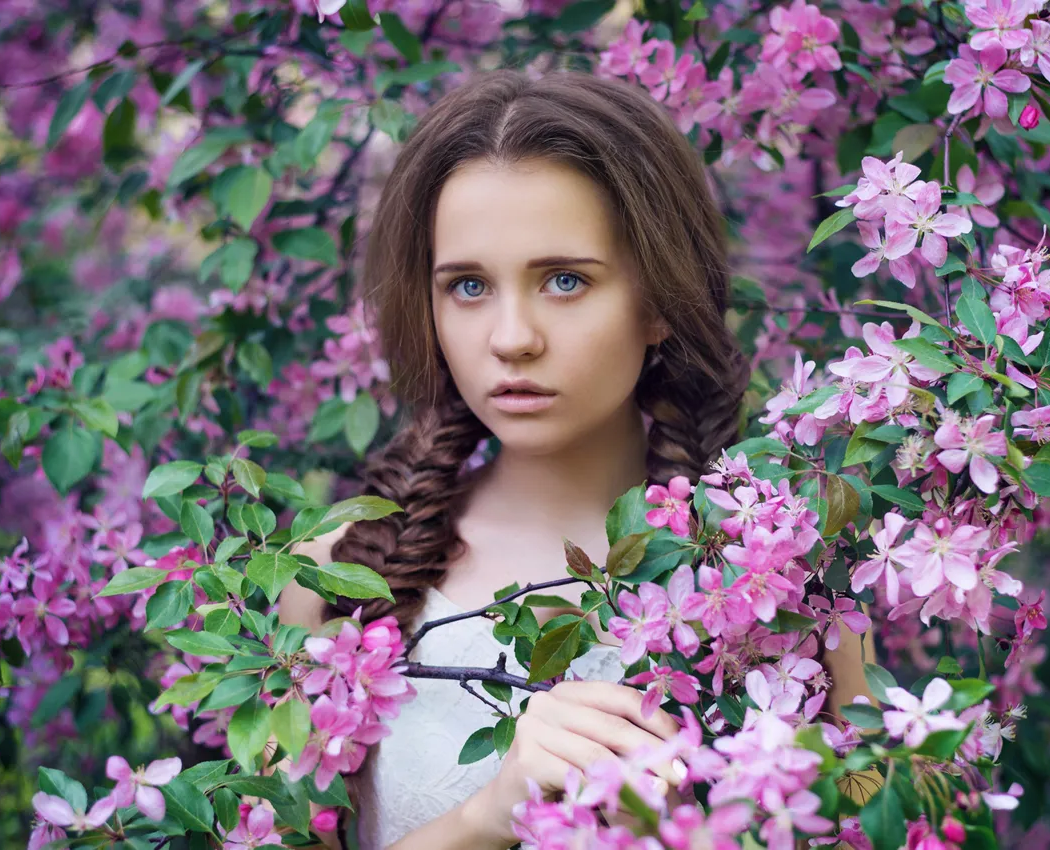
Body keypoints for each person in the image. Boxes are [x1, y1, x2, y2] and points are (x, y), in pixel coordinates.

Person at [279, 67, 875, 849]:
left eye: (564, 280)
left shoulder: (783, 583)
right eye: (467, 286)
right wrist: (490, 816)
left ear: (659, 301)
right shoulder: (334, 578)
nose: (512, 338)